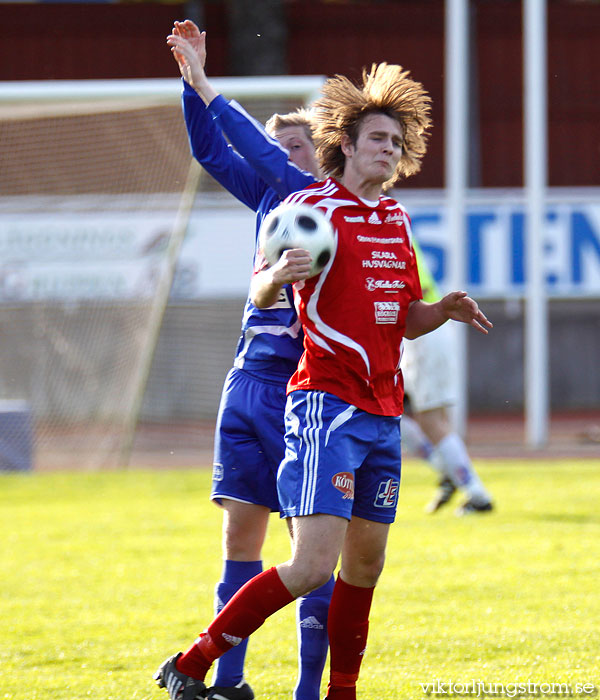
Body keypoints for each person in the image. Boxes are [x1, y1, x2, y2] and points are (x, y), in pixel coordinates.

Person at [153, 57, 493, 700]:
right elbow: (260, 292)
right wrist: (276, 277)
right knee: (311, 565)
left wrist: (439, 312)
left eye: (397, 142)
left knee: (366, 566)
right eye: (377, 139)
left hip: (383, 411)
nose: (388, 151)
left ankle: (340, 693)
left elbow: (402, 320)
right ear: (347, 145)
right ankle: (192, 663)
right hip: (324, 405)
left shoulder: (395, 220)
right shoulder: (308, 207)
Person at [166, 20, 333, 700]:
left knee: (310, 555)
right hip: (249, 383)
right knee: (241, 536)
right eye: (278, 147)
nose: (280, 157)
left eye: (293, 148)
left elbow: (259, 155)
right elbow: (212, 150)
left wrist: (209, 82)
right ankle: (228, 684)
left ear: (320, 157)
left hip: (306, 390)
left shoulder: (329, 207)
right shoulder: (268, 200)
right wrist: (190, 87)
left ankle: (308, 688)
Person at [400, 239, 494, 515]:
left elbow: (416, 292)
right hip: (421, 335)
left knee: (430, 420)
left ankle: (476, 494)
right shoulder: (391, 227)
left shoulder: (389, 231)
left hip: (422, 335)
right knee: (392, 413)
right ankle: (450, 473)